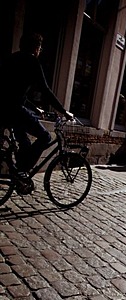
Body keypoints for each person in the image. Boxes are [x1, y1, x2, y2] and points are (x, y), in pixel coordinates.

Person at [0, 32, 73, 191]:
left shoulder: (12, 58)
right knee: (45, 136)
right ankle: (22, 173)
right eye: (40, 47)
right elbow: (45, 90)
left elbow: (15, 92)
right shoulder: (32, 61)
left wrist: (35, 108)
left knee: (24, 143)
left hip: (5, 108)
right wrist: (64, 111)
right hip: (14, 110)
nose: (40, 50)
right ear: (36, 48)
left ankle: (19, 171)